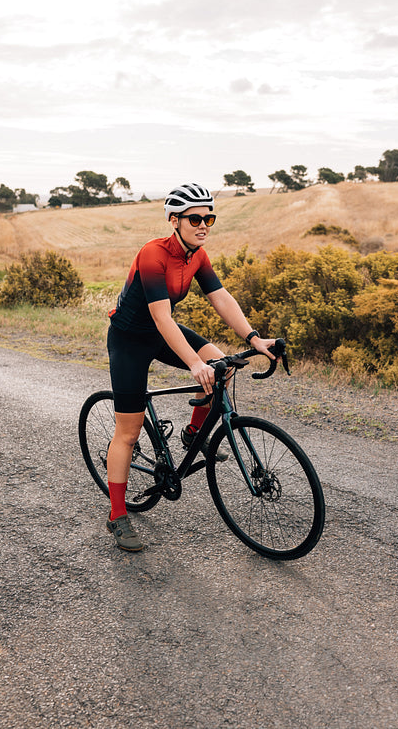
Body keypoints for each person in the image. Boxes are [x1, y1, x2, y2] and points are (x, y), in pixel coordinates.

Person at [106, 182, 275, 552]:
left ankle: (191, 434)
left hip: (161, 331)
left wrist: (254, 339)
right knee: (129, 432)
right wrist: (195, 362)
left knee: (223, 366)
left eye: (209, 218)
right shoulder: (153, 255)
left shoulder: (197, 254)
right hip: (131, 340)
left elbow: (221, 297)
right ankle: (118, 515)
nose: (204, 225)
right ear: (174, 220)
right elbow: (162, 318)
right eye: (195, 218)